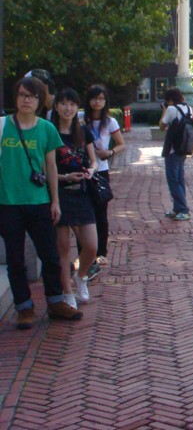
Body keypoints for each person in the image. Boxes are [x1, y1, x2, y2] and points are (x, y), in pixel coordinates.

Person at [0, 77, 83, 328]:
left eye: (33, 96)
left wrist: (55, 201)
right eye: (23, 95)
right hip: (8, 204)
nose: (27, 100)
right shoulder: (3, 126)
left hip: (39, 202)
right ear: (15, 98)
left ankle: (56, 302)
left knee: (50, 256)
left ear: (39, 100)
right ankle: (24, 308)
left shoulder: (47, 129)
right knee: (15, 260)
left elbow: (50, 166)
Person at [52, 88, 98, 308]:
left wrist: (91, 170)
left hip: (81, 194)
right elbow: (46, 169)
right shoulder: (49, 132)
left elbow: (94, 160)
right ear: (56, 106)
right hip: (59, 194)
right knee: (63, 248)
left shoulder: (83, 131)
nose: (68, 108)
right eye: (63, 103)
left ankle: (81, 276)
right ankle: (67, 292)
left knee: (91, 245)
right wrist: (66, 176)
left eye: (72, 104)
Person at [81, 85, 125, 272]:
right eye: (94, 98)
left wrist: (109, 152)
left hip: (101, 171)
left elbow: (121, 144)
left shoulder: (110, 122)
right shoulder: (80, 119)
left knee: (101, 212)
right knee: (83, 213)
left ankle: (101, 252)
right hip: (83, 170)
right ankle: (83, 252)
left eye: (101, 98)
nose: (97, 102)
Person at [159, 87, 192, 221]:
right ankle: (177, 208)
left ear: (169, 100)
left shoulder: (172, 109)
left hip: (172, 150)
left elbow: (162, 126)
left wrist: (164, 111)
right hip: (184, 148)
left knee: (172, 180)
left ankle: (183, 209)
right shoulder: (189, 108)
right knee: (179, 179)